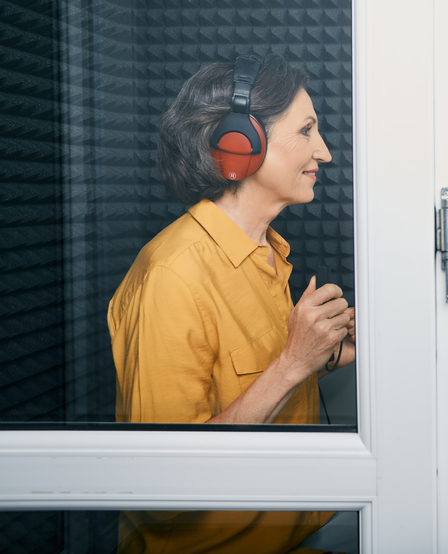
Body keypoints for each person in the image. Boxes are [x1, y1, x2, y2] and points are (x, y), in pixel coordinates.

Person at [108, 54, 354, 553]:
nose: (324, 153)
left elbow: (244, 380)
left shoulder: (268, 255)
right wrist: (293, 363)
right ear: (241, 143)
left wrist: (324, 353)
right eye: (306, 130)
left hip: (297, 535)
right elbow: (165, 488)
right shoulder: (173, 277)